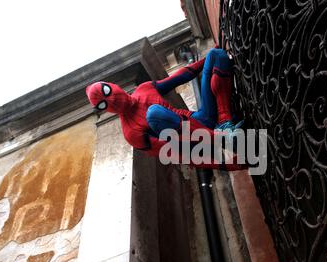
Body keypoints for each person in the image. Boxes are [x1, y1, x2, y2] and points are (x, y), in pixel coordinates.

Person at [86, 48, 244, 170]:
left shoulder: (144, 89)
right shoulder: (131, 132)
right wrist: (225, 165)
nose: (111, 100)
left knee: (216, 54)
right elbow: (175, 154)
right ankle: (223, 138)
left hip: (202, 120)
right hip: (197, 143)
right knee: (155, 114)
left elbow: (180, 77)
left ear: (112, 86)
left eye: (106, 91)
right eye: (103, 104)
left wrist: (206, 60)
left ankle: (225, 122)